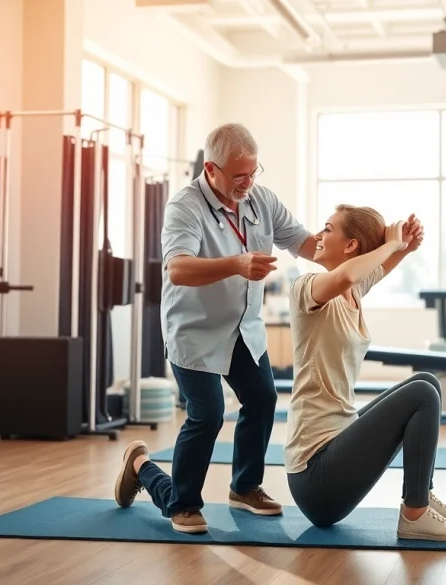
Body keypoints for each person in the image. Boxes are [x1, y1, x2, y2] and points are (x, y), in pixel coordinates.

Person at [112, 123, 321, 534]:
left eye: (254, 171)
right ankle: (159, 481)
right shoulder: (184, 206)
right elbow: (178, 269)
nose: (248, 182)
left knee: (262, 400)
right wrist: (238, 263)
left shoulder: (261, 199)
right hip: (195, 330)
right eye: (238, 175)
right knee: (206, 416)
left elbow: (308, 245)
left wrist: (375, 249)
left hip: (244, 329)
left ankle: (245, 487)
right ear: (211, 169)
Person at [283, 204, 446, 542]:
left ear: (351, 245)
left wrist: (405, 243)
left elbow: (375, 268)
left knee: (425, 382)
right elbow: (349, 273)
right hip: (315, 475)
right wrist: (391, 244)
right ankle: (414, 516)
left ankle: (420, 496)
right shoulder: (306, 288)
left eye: (328, 229)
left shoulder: (351, 294)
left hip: (336, 453)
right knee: (422, 395)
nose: (319, 235)